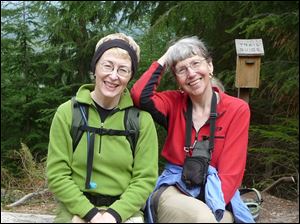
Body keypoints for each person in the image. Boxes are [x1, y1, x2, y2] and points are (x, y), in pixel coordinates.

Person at [131, 36, 254, 223]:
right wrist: (167, 57)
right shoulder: (173, 104)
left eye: (196, 63)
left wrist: (211, 205)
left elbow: (231, 173)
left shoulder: (236, 109)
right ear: (178, 80)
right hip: (174, 186)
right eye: (182, 69)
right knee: (201, 218)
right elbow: (140, 95)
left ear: (210, 66)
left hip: (215, 190)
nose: (191, 73)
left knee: (222, 219)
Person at [46, 33, 158, 223]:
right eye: (108, 66)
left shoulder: (141, 121)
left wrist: (114, 215)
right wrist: (90, 214)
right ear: (95, 68)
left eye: (123, 70)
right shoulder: (67, 113)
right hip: (75, 208)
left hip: (124, 211)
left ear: (130, 76)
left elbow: (144, 179)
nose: (113, 76)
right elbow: (57, 174)